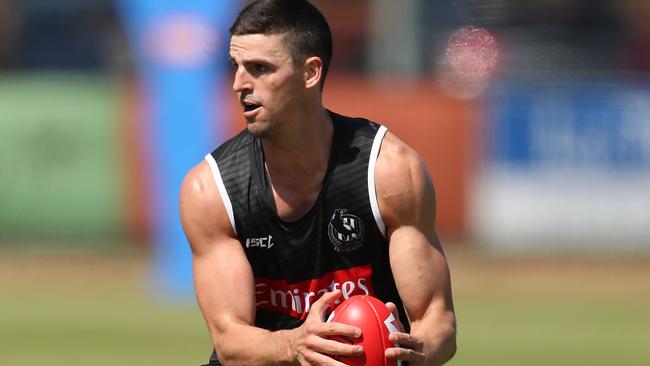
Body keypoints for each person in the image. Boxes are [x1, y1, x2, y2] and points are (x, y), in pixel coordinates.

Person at [179, 1, 457, 365]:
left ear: (310, 73)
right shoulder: (211, 189)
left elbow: (437, 320)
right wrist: (295, 345)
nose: (239, 84)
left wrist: (413, 353)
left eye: (260, 68)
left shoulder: (388, 171)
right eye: (237, 67)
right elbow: (231, 341)